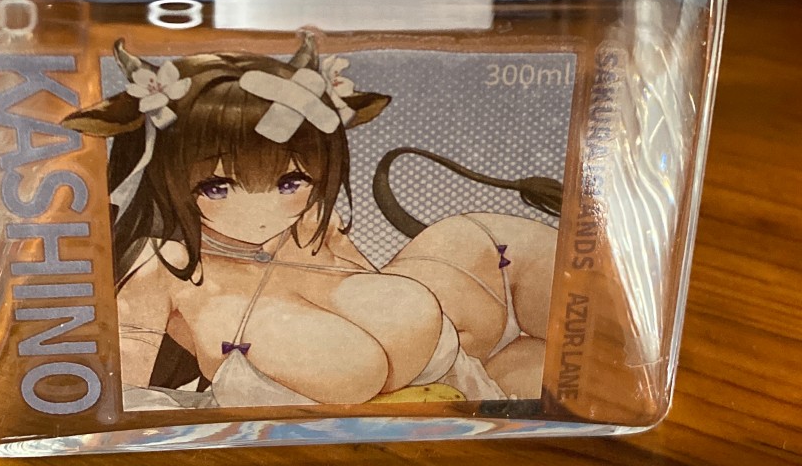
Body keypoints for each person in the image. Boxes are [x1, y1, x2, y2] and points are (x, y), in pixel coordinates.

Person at [63, 34, 558, 412]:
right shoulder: (164, 267)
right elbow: (121, 398)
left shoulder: (313, 225)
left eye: (291, 181)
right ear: (166, 179)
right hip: (449, 408)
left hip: (469, 342)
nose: (260, 212)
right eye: (217, 187)